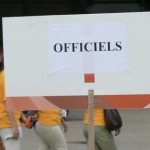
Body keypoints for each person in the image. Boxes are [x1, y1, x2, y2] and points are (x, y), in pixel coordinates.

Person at [0, 50, 23, 150]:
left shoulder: (4, 76)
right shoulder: (6, 78)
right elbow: (7, 103)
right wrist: (14, 126)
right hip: (7, 123)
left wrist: (21, 115)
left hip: (7, 122)